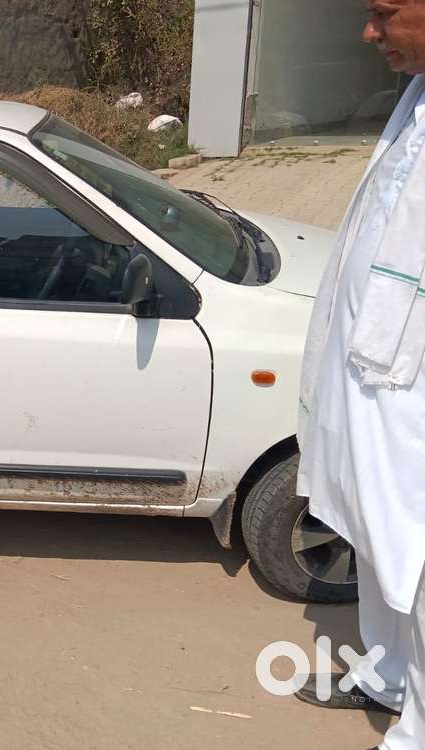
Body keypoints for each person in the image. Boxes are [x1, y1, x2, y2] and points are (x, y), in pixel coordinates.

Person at [296, 2, 425, 748]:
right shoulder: (415, 96)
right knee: (378, 540)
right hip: (374, 367)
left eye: (384, 12)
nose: (368, 33)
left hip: (411, 381)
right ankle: (386, 673)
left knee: (415, 548)